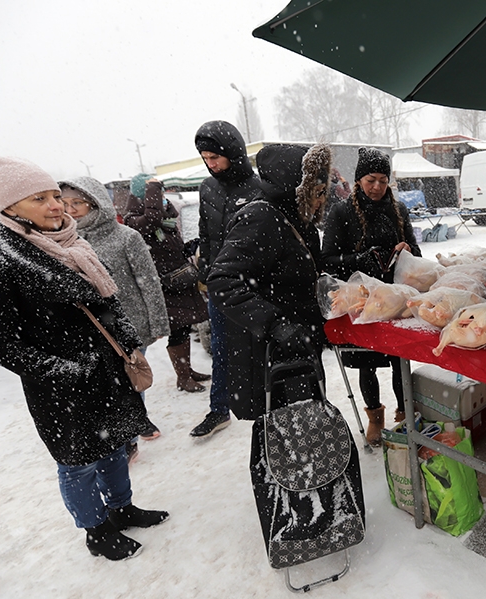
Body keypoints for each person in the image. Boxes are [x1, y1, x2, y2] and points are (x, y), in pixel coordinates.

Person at [0, 156, 168, 561]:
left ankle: (121, 507)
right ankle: (96, 531)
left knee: (115, 444)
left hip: (107, 371)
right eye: (38, 199)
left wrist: (128, 340)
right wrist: (63, 370)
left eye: (55, 196)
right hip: (61, 387)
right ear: (9, 209)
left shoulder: (75, 245)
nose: (55, 205)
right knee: (78, 462)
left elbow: (105, 304)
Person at [207, 143, 330, 421]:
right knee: (280, 438)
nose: (322, 200)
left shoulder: (298, 218)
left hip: (297, 346)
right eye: (317, 193)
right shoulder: (261, 218)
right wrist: (275, 324)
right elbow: (222, 281)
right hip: (272, 353)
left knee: (306, 430)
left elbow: (301, 271)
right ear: (295, 188)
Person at [59, 177, 171, 451]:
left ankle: (131, 433)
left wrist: (158, 322)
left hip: (129, 323)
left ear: (95, 203)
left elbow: (148, 280)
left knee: (131, 376)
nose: (70, 209)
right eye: (65, 203)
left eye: (77, 203)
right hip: (91, 328)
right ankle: (131, 427)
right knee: (109, 383)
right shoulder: (63, 241)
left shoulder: (126, 237)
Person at [321, 147, 422, 446]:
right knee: (366, 362)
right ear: (358, 180)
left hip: (394, 300)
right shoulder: (341, 212)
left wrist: (408, 253)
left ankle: (405, 414)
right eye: (370, 180)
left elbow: (417, 254)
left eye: (383, 180)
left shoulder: (399, 210)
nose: (377, 187)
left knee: (398, 360)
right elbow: (327, 259)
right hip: (359, 302)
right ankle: (375, 418)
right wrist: (358, 260)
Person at [192, 121, 266, 438]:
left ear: (233, 153)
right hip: (219, 286)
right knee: (221, 348)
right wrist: (205, 272)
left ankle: (267, 406)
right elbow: (206, 235)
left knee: (258, 348)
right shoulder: (207, 188)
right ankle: (218, 409)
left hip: (253, 287)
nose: (211, 165)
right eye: (205, 159)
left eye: (215, 158)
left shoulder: (259, 188)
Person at [122, 174, 210, 395]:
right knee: (178, 328)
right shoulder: (133, 218)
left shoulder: (165, 218)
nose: (160, 198)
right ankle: (183, 377)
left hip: (180, 279)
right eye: (155, 194)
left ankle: (187, 370)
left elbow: (166, 238)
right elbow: (150, 221)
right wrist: (153, 187)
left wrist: (187, 247)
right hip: (165, 284)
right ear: (144, 195)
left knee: (183, 327)